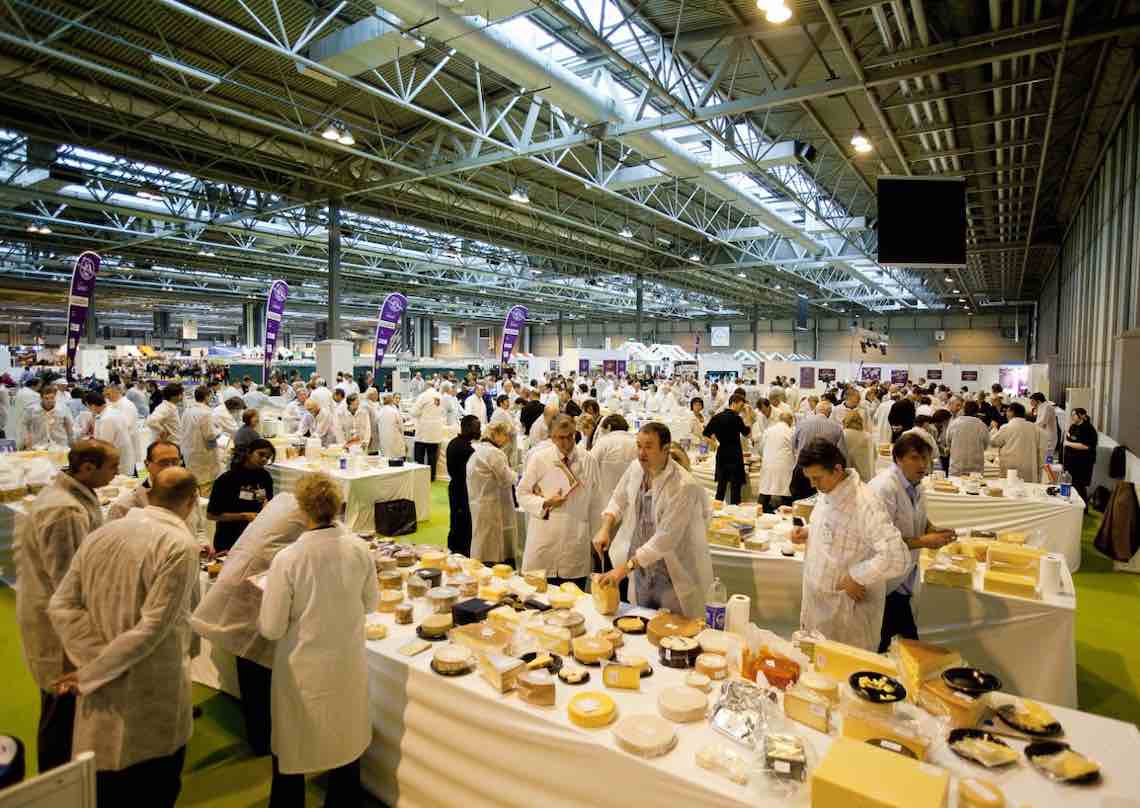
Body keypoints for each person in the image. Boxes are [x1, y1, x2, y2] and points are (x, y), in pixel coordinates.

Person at [48, 468, 201, 807]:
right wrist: (96, 668)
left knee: (107, 785)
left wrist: (93, 656)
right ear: (192, 502)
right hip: (152, 682)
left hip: (101, 680)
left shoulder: (102, 533)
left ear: (149, 494)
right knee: (152, 785)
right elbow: (153, 628)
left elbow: (61, 605)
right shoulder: (179, 545)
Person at [259, 472, 378, 808]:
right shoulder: (359, 549)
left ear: (301, 509)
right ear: (338, 505)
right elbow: (371, 604)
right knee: (346, 738)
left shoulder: (288, 559)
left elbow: (271, 628)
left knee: (294, 747)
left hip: (302, 667)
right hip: (346, 660)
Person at [15, 439, 118, 772]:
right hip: (57, 624)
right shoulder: (65, 511)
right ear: (87, 468)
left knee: (67, 705)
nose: (116, 472)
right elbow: (68, 580)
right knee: (60, 704)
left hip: (57, 613)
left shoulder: (71, 497)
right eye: (112, 467)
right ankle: (56, 780)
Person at [191, 494, 307, 757]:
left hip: (243, 579)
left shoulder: (284, 501)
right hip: (253, 590)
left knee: (251, 667)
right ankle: (262, 737)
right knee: (256, 669)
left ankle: (261, 732)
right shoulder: (303, 517)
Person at [792, 438, 910, 651]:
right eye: (809, 478)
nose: (812, 485)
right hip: (818, 606)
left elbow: (897, 557)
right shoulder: (829, 489)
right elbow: (837, 528)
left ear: (837, 470)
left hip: (846, 614)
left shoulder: (865, 502)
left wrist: (857, 576)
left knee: (843, 666)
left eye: (816, 478)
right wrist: (809, 532)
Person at [593, 423, 713, 619]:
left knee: (671, 629)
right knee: (641, 622)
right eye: (639, 446)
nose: (641, 453)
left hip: (672, 575)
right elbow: (618, 498)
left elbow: (665, 539)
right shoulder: (636, 468)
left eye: (648, 447)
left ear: (665, 449)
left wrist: (623, 569)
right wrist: (605, 528)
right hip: (641, 570)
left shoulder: (683, 486)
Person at [868, 434, 955, 652]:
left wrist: (931, 528)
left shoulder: (916, 484)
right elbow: (881, 540)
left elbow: (916, 517)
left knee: (903, 646)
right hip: (885, 580)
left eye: (926, 459)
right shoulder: (884, 488)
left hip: (902, 579)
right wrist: (924, 541)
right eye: (915, 458)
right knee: (893, 645)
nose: (923, 465)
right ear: (898, 459)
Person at [518, 414, 601, 588]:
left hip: (575, 540)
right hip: (545, 538)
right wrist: (545, 503)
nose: (566, 442)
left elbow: (595, 503)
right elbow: (522, 493)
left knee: (573, 598)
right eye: (560, 438)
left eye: (570, 436)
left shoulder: (588, 460)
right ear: (551, 436)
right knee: (539, 598)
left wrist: (595, 539)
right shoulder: (540, 459)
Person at [107, 440, 204, 539]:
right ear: (147, 465)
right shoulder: (124, 507)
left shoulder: (190, 494)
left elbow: (199, 530)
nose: (170, 468)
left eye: (175, 462)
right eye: (163, 463)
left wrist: (202, 544)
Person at [207, 439, 275, 553]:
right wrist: (243, 516)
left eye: (267, 457)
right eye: (261, 454)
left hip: (254, 536)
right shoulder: (227, 479)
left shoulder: (265, 477)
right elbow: (211, 515)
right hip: (229, 539)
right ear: (249, 452)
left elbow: (268, 500)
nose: (264, 459)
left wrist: (267, 507)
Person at [467, 420, 518, 564]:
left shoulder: (477, 451)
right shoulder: (494, 453)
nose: (507, 439)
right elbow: (506, 478)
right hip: (491, 504)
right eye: (505, 435)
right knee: (491, 544)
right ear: (496, 434)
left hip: (479, 501)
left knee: (481, 540)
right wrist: (518, 475)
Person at [703, 393, 750, 505]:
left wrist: (716, 444)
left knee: (721, 487)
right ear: (733, 403)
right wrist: (748, 414)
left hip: (722, 453)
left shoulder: (717, 417)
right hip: (735, 454)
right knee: (735, 488)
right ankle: (735, 511)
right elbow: (747, 433)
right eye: (741, 406)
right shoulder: (737, 418)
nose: (741, 409)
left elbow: (705, 434)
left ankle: (716, 511)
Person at [445, 416, 481, 556]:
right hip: (462, 489)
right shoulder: (466, 449)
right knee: (463, 522)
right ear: (468, 428)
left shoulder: (454, 443)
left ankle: (455, 548)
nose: (479, 431)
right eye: (477, 428)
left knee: (457, 521)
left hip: (456, 487)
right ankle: (460, 551)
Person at [589, 414, 639, 504]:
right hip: (631, 498)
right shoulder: (637, 442)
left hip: (605, 499)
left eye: (603, 430)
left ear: (609, 427)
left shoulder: (604, 442)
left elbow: (589, 465)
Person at [86, 392, 136, 476]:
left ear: (93, 406)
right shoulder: (111, 411)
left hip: (118, 458)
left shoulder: (107, 418)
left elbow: (105, 444)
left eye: (88, 407)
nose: (88, 410)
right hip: (121, 454)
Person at [181, 385, 221, 494]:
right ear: (207, 397)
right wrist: (219, 430)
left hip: (189, 451)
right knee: (205, 484)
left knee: (193, 482)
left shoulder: (187, 411)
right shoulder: (205, 413)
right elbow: (210, 435)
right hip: (202, 453)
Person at [990, 402, 1041, 483]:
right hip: (1029, 465)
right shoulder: (1034, 427)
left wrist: (994, 429)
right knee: (1028, 487)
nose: (1006, 414)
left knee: (1010, 487)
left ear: (1011, 412)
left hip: (1011, 466)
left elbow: (993, 442)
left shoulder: (1007, 427)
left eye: (1007, 411)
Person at [756, 412, 795, 512]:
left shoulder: (768, 431)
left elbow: (760, 449)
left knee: (766, 490)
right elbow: (795, 451)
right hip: (784, 465)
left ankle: (760, 512)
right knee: (785, 492)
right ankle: (786, 514)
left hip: (768, 464)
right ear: (790, 421)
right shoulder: (791, 432)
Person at [946, 400, 990, 476]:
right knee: (975, 483)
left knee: (956, 483)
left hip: (957, 465)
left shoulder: (954, 423)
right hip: (976, 467)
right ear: (977, 411)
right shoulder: (982, 425)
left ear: (963, 410)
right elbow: (985, 445)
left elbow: (948, 442)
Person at [1062, 408, 1098, 504]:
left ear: (1082, 416)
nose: (1072, 417)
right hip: (1071, 461)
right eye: (1071, 415)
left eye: (1074, 415)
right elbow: (1068, 438)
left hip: (1082, 463)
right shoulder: (1073, 427)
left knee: (1079, 486)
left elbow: (1086, 446)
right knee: (1070, 485)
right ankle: (1071, 505)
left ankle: (1083, 507)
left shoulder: (1088, 429)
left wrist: (1068, 443)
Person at [411, 383, 445, 480]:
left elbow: (414, 412)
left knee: (419, 456)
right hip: (435, 432)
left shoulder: (423, 396)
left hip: (423, 431)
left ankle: (420, 477)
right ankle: (431, 477)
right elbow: (442, 412)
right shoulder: (440, 396)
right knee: (432, 456)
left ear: (426, 387)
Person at [843, 412, 875, 482]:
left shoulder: (844, 434)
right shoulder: (868, 436)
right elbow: (875, 455)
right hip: (867, 474)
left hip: (850, 474)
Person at [1030, 392, 1059, 466]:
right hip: (1044, 436)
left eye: (1032, 401)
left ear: (1038, 400)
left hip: (1049, 437)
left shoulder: (1047, 407)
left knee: (1048, 458)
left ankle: (1048, 470)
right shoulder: (1041, 406)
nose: (1031, 403)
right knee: (1043, 459)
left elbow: (1042, 422)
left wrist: (1029, 427)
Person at [376, 392, 405, 457]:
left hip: (383, 440)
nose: (398, 400)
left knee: (386, 457)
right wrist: (402, 437)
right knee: (395, 457)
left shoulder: (379, 412)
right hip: (394, 439)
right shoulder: (394, 411)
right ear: (392, 400)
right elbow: (401, 426)